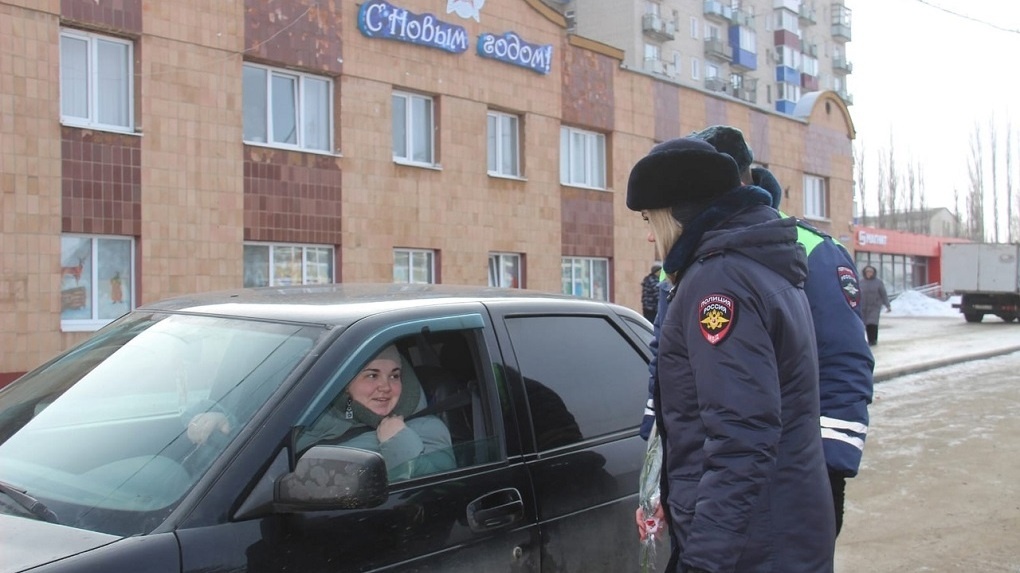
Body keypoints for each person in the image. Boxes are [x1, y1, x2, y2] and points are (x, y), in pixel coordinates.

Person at [628, 136, 835, 572]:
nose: (648, 234)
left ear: (678, 213)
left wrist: (703, 562)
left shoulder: (718, 283)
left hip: (754, 546)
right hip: (775, 528)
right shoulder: (750, 263)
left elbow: (741, 441)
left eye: (650, 218)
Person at [691, 125, 875, 535]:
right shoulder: (689, 255)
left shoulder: (812, 249)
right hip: (716, 473)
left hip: (795, 472)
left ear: (739, 179)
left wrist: (826, 467)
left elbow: (844, 360)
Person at [190, 345, 455, 481]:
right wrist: (222, 421)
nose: (385, 387)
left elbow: (443, 492)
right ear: (346, 384)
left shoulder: (426, 429)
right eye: (371, 375)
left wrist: (401, 445)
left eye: (395, 376)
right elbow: (270, 445)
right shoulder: (330, 414)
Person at [860, 265, 892, 346]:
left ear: (874, 273)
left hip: (874, 306)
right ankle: (869, 340)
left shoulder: (878, 282)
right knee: (866, 324)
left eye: (870, 272)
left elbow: (883, 294)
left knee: (872, 323)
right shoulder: (861, 282)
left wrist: (887, 305)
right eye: (867, 271)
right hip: (864, 307)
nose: (869, 273)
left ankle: (873, 340)